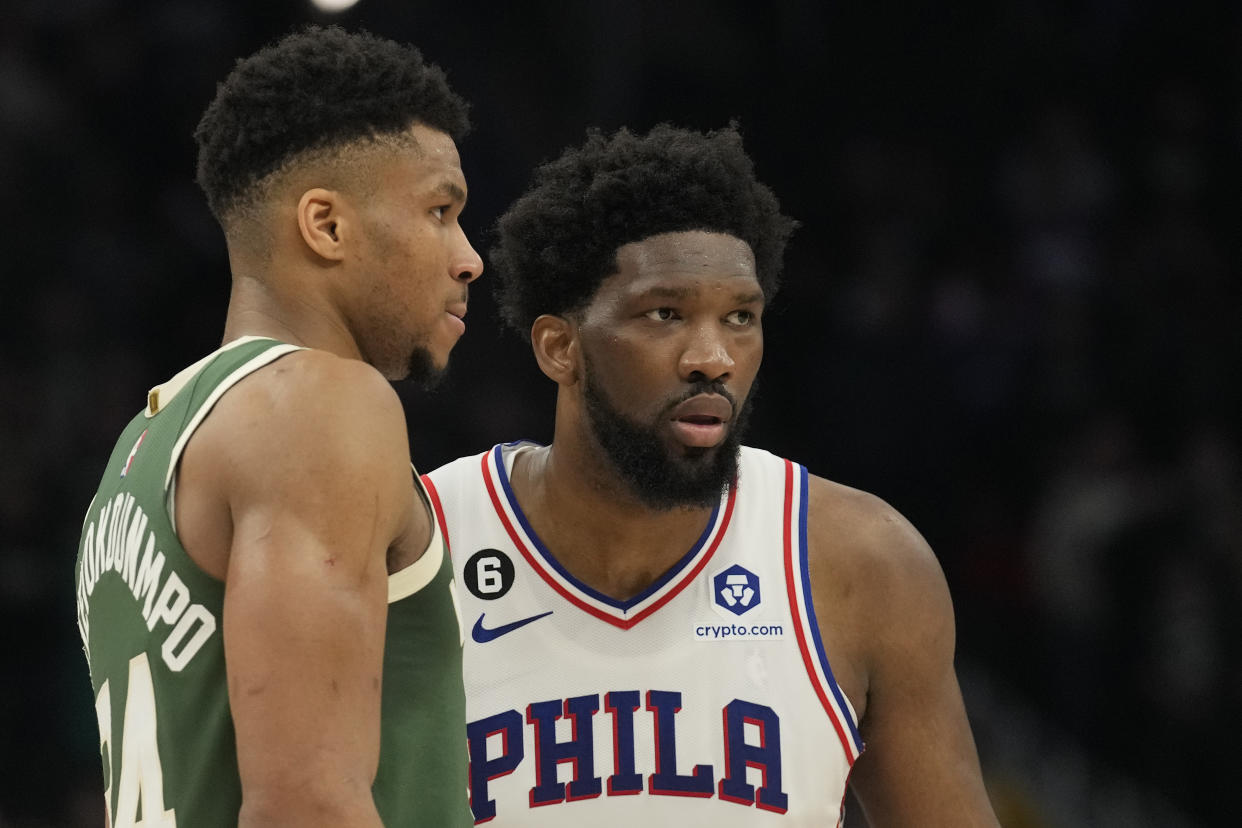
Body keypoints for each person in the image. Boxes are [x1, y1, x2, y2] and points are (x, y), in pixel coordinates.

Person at [424, 124, 998, 826]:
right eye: (665, 314)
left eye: (740, 318)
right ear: (559, 347)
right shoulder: (421, 542)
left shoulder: (862, 562)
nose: (712, 357)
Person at [73, 26, 482, 826]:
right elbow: (307, 804)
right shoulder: (323, 404)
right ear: (326, 225)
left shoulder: (143, 448)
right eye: (440, 211)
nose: (469, 257)